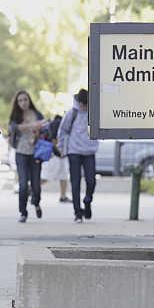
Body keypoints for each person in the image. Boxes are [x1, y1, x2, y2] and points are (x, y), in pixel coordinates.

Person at [57, 89, 98, 223]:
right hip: (73, 151)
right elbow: (63, 130)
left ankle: (87, 200)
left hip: (89, 151)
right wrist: (61, 147)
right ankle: (77, 213)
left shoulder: (93, 113)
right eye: (81, 104)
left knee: (91, 181)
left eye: (86, 105)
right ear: (78, 102)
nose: (83, 107)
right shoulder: (72, 113)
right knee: (75, 182)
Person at [8, 90, 48, 223]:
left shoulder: (37, 114)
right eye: (20, 100)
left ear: (29, 100)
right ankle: (23, 212)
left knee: (36, 184)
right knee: (23, 184)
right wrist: (32, 125)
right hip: (21, 153)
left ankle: (36, 203)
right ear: (17, 103)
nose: (23, 102)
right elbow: (14, 128)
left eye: (25, 99)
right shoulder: (15, 116)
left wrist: (39, 131)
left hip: (36, 153)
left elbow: (46, 129)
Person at [41, 114, 71, 203]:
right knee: (47, 176)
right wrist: (59, 153)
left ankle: (63, 196)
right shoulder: (58, 124)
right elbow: (54, 139)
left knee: (64, 176)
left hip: (59, 155)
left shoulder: (55, 123)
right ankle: (31, 188)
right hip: (56, 155)